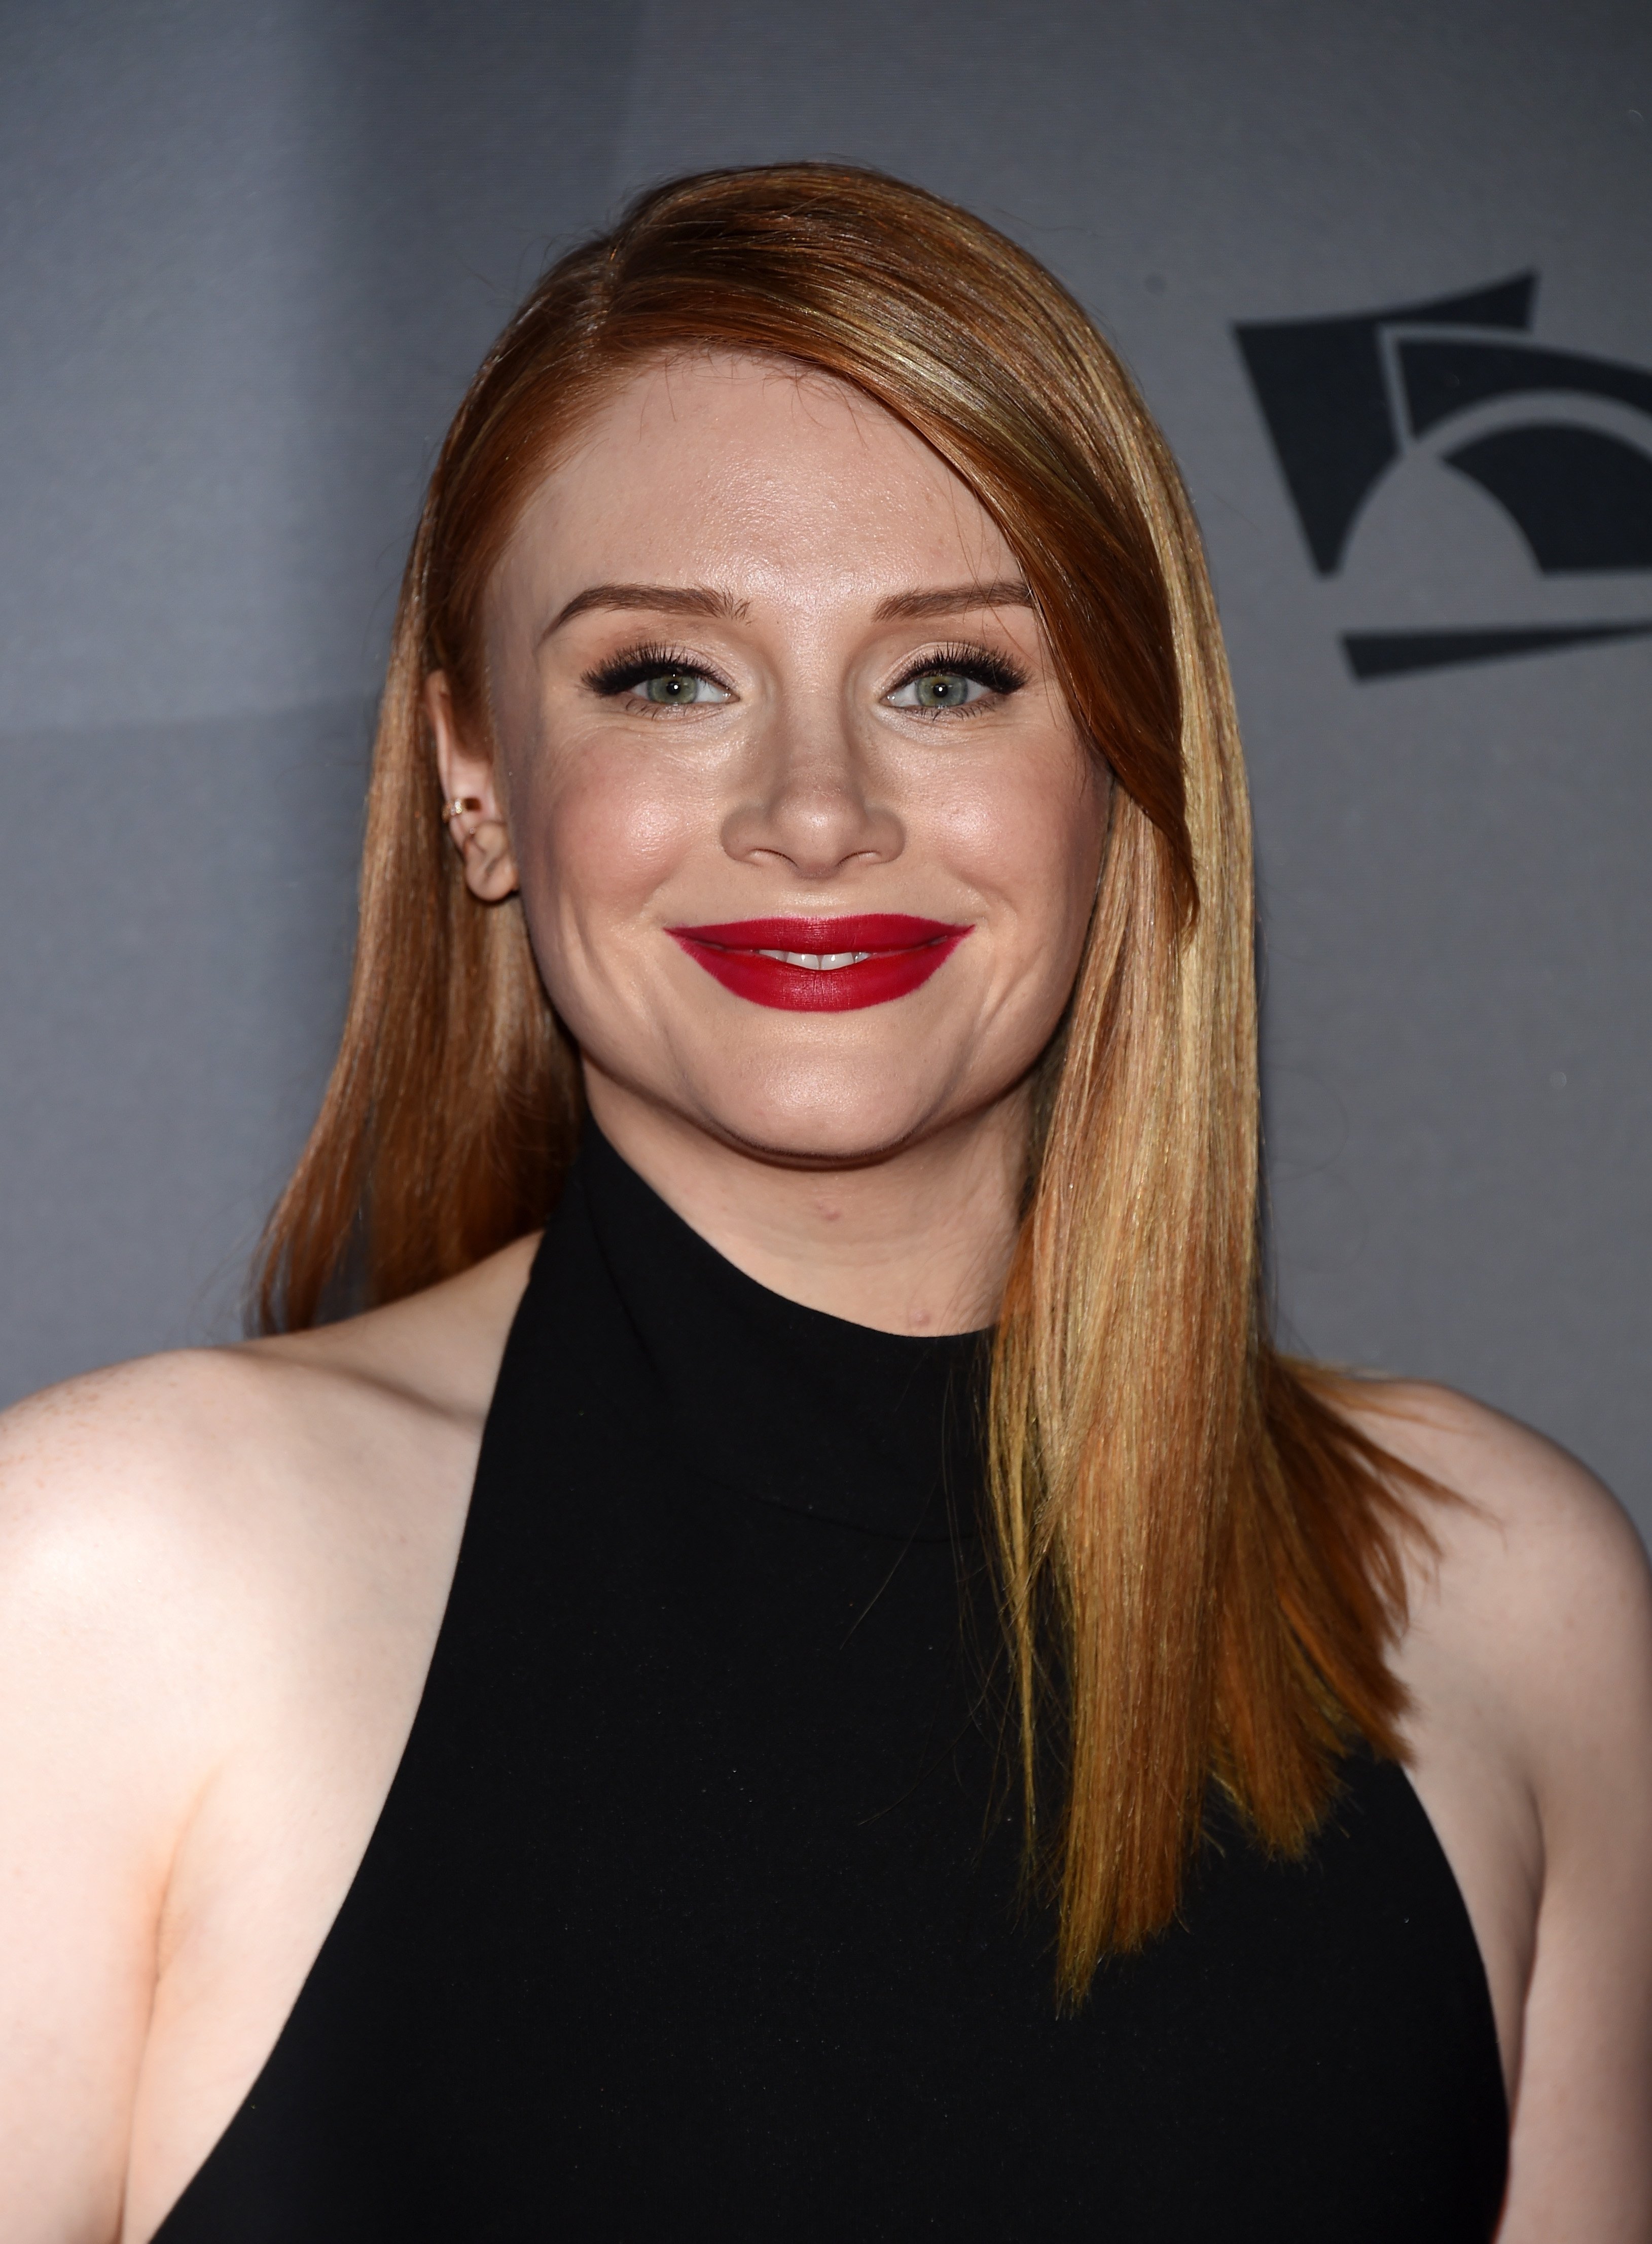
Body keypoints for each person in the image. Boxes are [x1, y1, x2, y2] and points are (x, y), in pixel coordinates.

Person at [1, 163, 1648, 2244]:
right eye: (663, 678)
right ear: (475, 778)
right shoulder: (115, 1579)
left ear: (1123, 763)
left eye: (949, 677)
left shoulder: (1489, 1599)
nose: (812, 811)